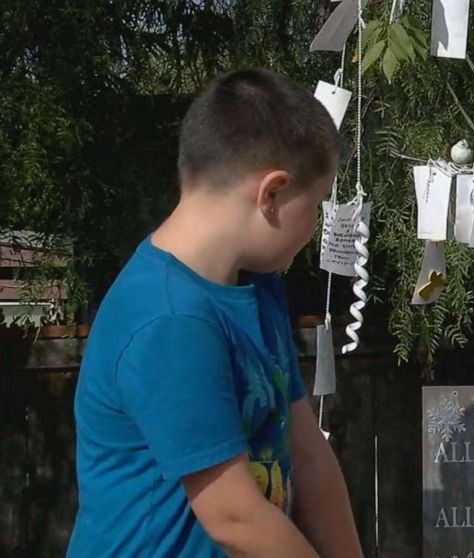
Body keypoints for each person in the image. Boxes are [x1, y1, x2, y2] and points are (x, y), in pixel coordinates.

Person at [68, 68, 362, 557]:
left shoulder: (256, 288)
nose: (316, 225)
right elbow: (233, 517)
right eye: (316, 205)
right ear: (272, 194)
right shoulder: (169, 320)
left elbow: (308, 455)